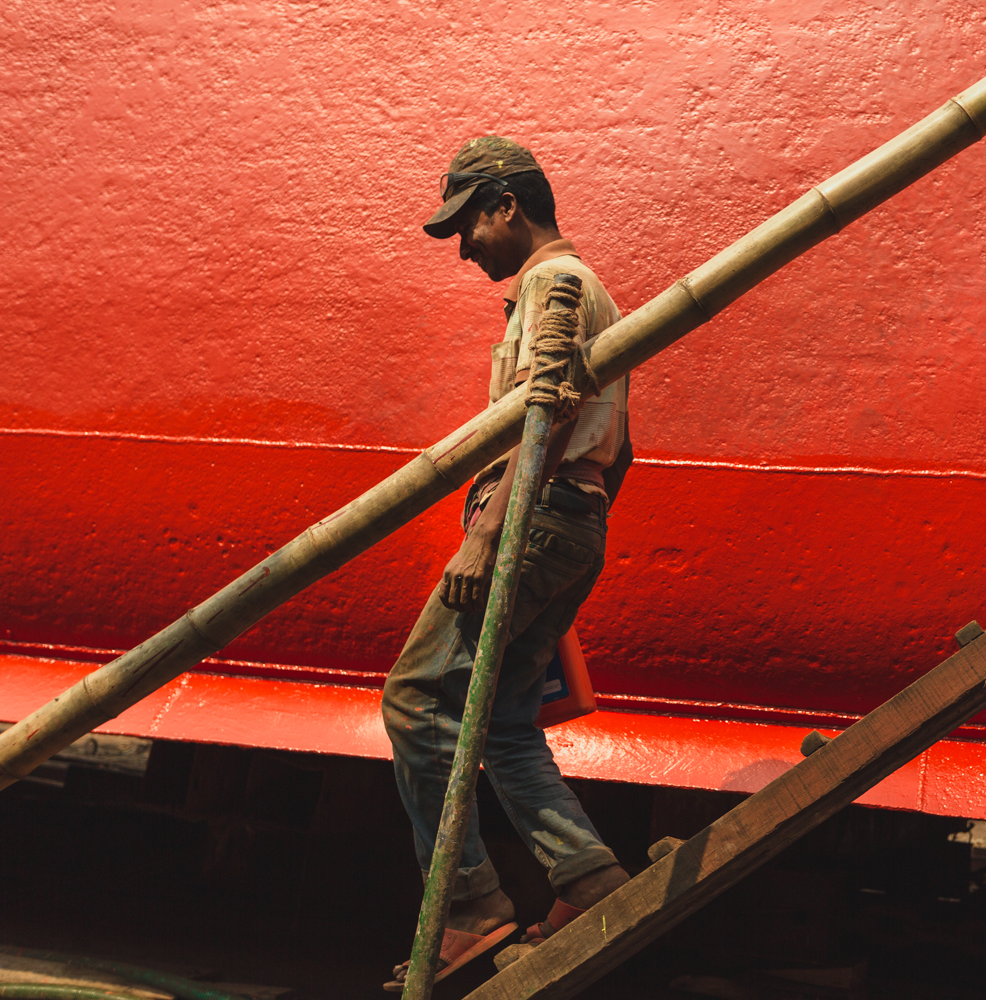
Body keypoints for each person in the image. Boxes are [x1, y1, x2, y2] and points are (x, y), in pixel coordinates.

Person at [381, 136, 633, 989]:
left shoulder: (554, 284)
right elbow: (620, 444)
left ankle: (467, 904)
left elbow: (547, 406)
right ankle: (588, 877)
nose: (463, 248)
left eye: (468, 226)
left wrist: (493, 534)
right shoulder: (586, 286)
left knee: (417, 700)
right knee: (506, 726)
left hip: (533, 516)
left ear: (506, 206)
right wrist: (573, 535)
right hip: (572, 517)